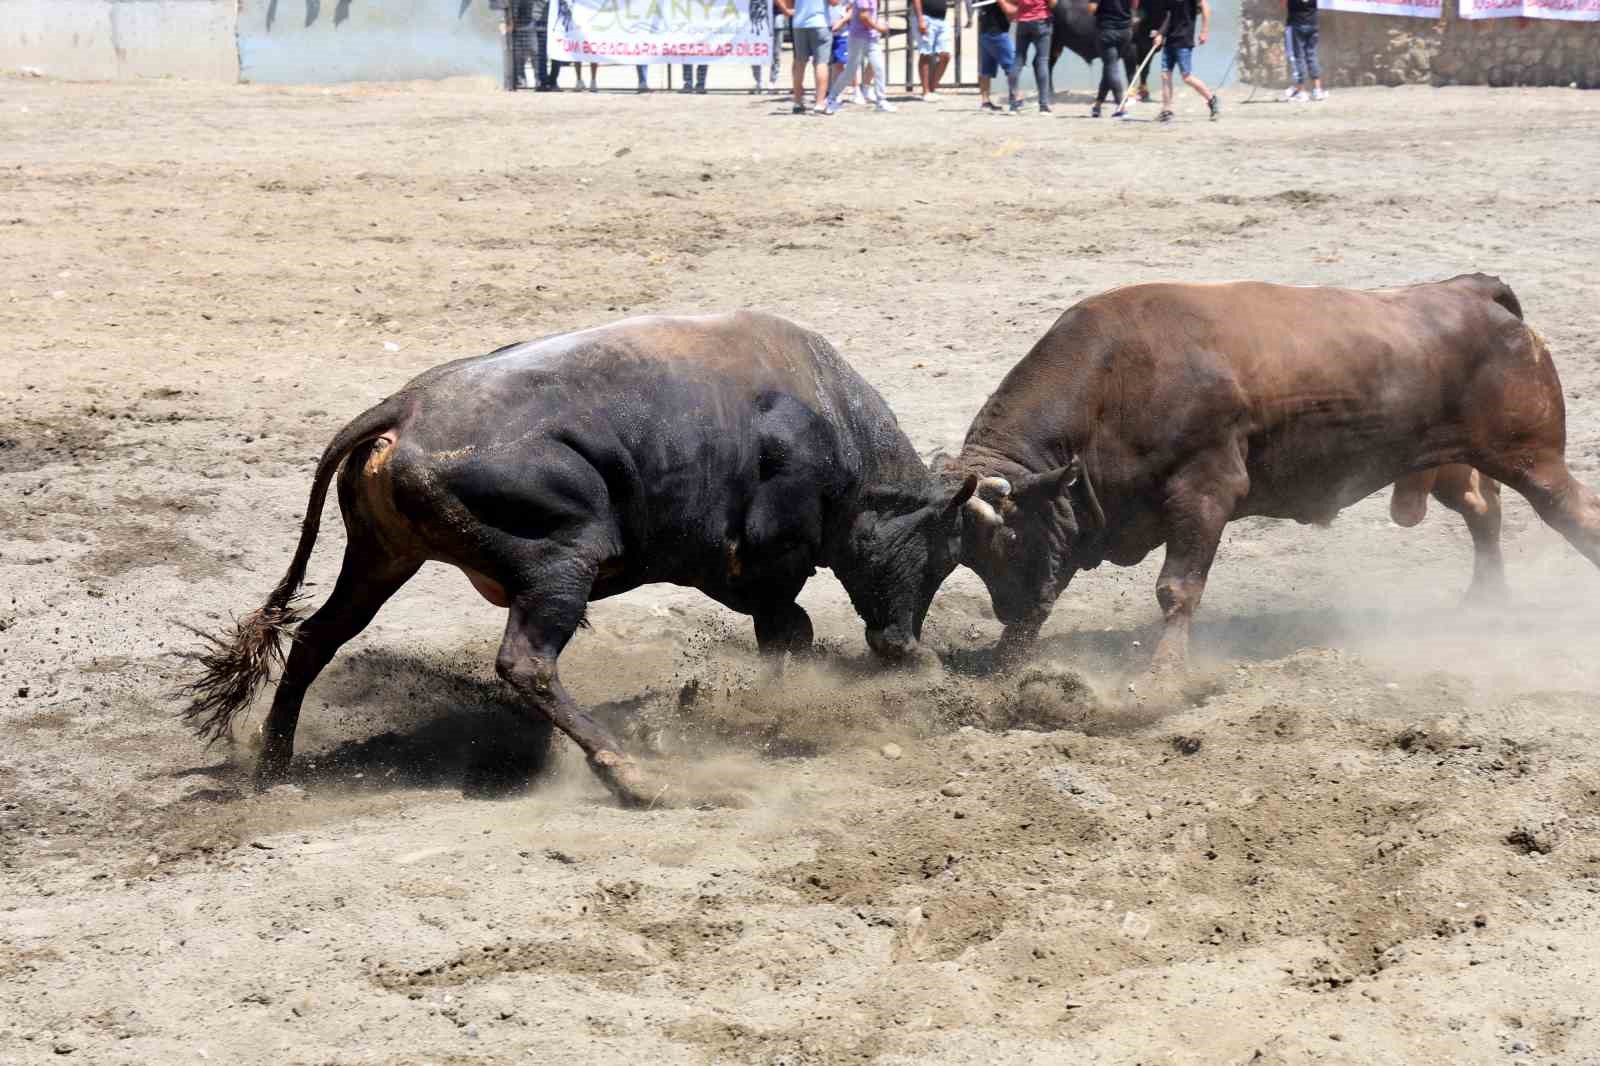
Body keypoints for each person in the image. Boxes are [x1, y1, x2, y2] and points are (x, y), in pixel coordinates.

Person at [1144, 0, 1218, 122]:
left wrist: (1204, 31)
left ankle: (1212, 100)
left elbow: (1205, 7)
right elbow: (1169, 16)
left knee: (1187, 77)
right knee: (1165, 75)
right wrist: (1160, 34)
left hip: (1184, 39)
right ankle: (1166, 110)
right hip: (1170, 39)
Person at [824, 0, 894, 113]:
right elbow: (864, 17)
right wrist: (879, 28)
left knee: (879, 67)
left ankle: (881, 100)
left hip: (871, 38)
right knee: (850, 72)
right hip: (858, 38)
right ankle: (832, 99)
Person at [778, 0, 833, 113]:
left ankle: (797, 101)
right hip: (820, 22)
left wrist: (787, 10)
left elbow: (788, 3)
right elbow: (834, 2)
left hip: (799, 23)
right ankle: (819, 103)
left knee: (799, 62)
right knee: (821, 63)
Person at [973, 0, 1022, 113]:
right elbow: (1009, 12)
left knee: (986, 71)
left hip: (986, 32)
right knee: (1012, 66)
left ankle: (985, 103)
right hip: (997, 34)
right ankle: (1016, 100)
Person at [1088, 0, 1135, 118]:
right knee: (1109, 67)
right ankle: (1098, 105)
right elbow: (1135, 5)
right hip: (1125, 31)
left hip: (1107, 30)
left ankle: (1121, 106)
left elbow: (1091, 8)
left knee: (1111, 67)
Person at [1012, 0, 1055, 113]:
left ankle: (1013, 104)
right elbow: (1053, 3)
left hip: (1022, 21)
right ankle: (1043, 105)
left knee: (1018, 60)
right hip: (1041, 21)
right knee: (1043, 61)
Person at [910, 0, 954, 99]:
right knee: (926, 53)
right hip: (926, 17)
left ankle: (931, 89)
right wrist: (920, 19)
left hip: (941, 19)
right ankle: (926, 92)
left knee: (945, 55)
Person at [1283, 0, 1325, 101]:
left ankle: (1301, 91)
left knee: (1297, 58)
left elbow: (1283, 3)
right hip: (1312, 24)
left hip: (1296, 24)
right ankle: (1317, 90)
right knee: (1312, 56)